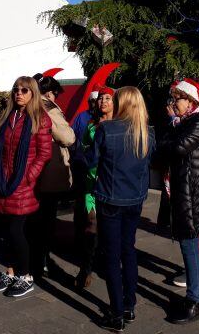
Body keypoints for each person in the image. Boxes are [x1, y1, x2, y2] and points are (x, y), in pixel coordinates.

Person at [86, 86, 155, 332]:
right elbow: (147, 163)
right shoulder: (147, 132)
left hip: (110, 199)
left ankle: (117, 314)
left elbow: (91, 160)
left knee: (112, 256)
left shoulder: (107, 129)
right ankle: (129, 305)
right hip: (134, 199)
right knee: (129, 250)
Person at [162, 78, 199, 325]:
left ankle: (194, 300)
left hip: (194, 194)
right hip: (188, 191)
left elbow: (176, 148)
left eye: (178, 99)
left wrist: (170, 132)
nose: (174, 103)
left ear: (191, 101)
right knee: (190, 246)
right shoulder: (187, 122)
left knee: (189, 245)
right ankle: (196, 294)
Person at [0, 77, 52, 298]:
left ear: (33, 93)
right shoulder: (8, 116)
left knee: (16, 230)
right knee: (6, 231)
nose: (19, 93)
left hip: (22, 184)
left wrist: (28, 176)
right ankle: (11, 271)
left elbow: (44, 153)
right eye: (16, 89)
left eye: (24, 90)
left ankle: (25, 276)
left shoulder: (40, 119)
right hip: (4, 182)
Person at [31, 75, 76, 277]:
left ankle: (30, 258)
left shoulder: (23, 105)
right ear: (50, 93)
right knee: (46, 218)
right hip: (47, 171)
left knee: (31, 218)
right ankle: (41, 261)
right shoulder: (47, 107)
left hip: (29, 171)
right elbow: (67, 137)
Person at [73, 85, 114, 289]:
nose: (103, 102)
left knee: (109, 228)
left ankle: (109, 264)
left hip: (112, 185)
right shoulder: (90, 124)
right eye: (100, 98)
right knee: (91, 225)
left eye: (107, 98)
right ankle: (86, 268)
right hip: (91, 183)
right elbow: (83, 150)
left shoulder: (118, 125)